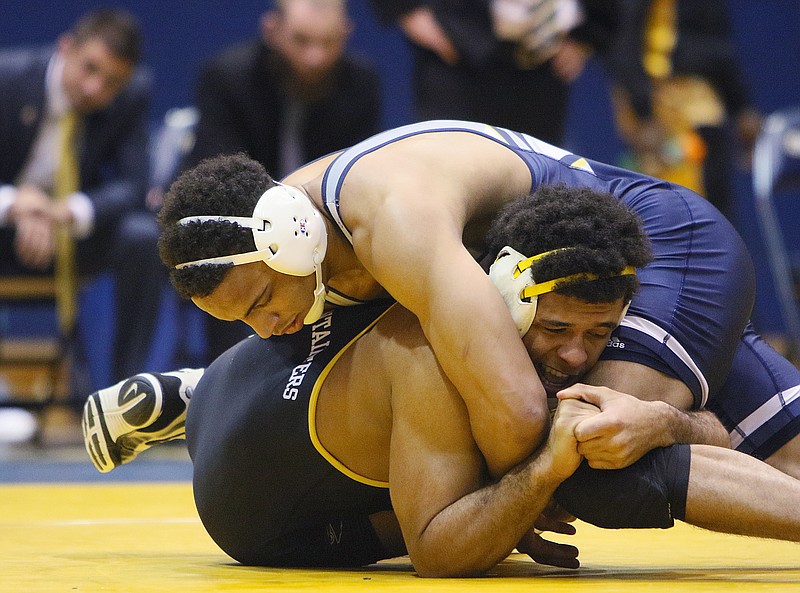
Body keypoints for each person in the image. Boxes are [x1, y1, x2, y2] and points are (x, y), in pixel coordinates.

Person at [82, 187, 800, 576]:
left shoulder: (419, 262)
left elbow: (693, 430)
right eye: (555, 331)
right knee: (577, 455)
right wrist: (535, 481)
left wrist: (668, 418)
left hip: (243, 392)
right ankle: (198, 394)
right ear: (510, 298)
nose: (579, 355)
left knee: (601, 429)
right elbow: (436, 552)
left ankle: (194, 392)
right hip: (256, 517)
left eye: (601, 334)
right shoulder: (432, 349)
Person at [150, 119, 800, 483]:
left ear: (287, 234)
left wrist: (492, 508)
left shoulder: (392, 217)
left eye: (262, 300)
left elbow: (516, 408)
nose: (265, 327)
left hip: (659, 248)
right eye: (240, 320)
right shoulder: (297, 247)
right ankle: (197, 388)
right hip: (586, 295)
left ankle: (690, 422)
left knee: (589, 450)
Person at [183, 0, 382, 360]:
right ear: (272, 30)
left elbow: (361, 177)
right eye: (302, 41)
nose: (315, 58)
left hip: (326, 224)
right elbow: (221, 185)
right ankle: (233, 379)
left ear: (347, 35)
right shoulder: (226, 77)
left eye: (328, 43)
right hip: (247, 227)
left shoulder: (362, 83)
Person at [0, 9, 164, 385]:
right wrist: (13, 204)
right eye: (90, 69)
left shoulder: (132, 95)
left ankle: (129, 395)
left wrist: (66, 212)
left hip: (69, 234)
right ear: (66, 47)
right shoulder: (7, 78)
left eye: (112, 82)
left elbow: (133, 185)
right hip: (4, 228)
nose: (96, 89)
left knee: (142, 238)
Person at [368, 0, 614, 144]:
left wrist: (588, 35)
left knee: (536, 186)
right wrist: (403, 8)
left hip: (548, 58)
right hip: (460, 55)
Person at [605, 0, 762, 222]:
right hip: (647, 101)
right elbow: (622, 44)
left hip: (697, 98)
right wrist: (644, 114)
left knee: (715, 201)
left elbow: (721, 47)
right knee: (659, 207)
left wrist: (741, 107)